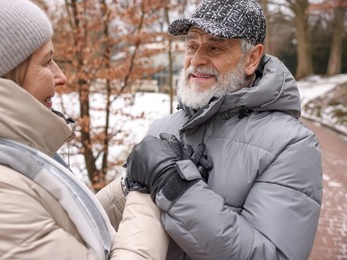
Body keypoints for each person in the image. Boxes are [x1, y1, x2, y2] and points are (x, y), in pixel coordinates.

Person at [0, 0, 168, 259]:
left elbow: (69, 226)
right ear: (1, 77)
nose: (62, 77)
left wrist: (128, 187)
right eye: (46, 63)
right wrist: (148, 194)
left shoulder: (5, 154)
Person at [124, 0, 323, 259]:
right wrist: (129, 185)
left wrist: (176, 187)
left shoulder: (292, 145)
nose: (196, 60)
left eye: (215, 47)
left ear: (252, 58)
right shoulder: (163, 127)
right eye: (192, 46)